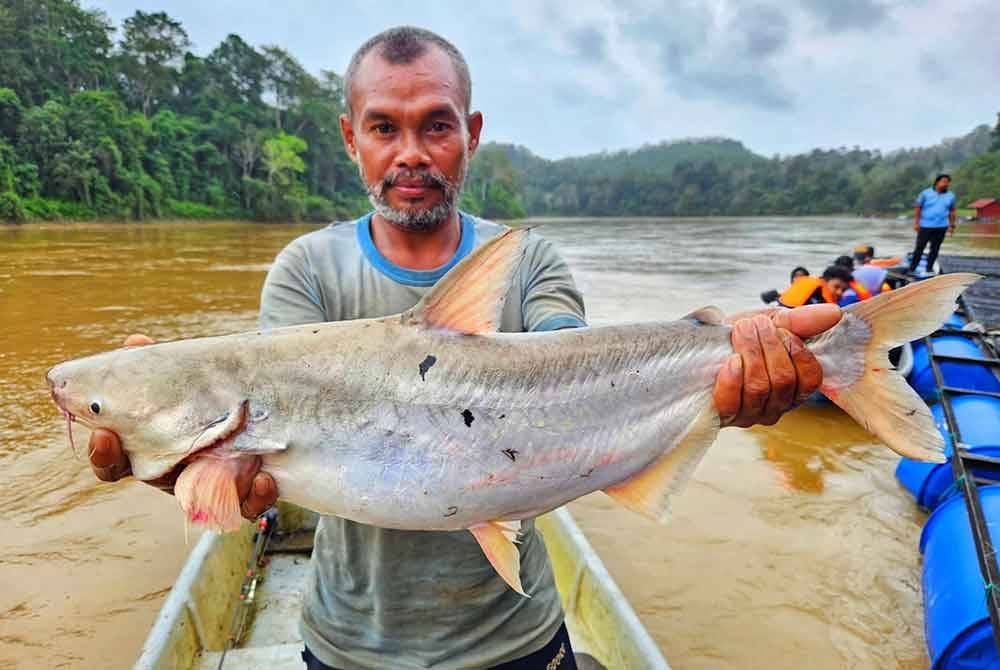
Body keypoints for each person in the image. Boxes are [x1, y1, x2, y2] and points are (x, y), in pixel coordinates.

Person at [85, 26, 841, 669]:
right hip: (350, 643)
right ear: (351, 139)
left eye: (435, 126)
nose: (410, 152)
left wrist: (732, 371)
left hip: (516, 635)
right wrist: (199, 471)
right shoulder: (307, 271)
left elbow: (569, 364)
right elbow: (254, 484)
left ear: (470, 135)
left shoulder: (527, 259)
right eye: (384, 127)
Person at [909, 174, 957, 275]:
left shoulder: (950, 196)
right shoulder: (925, 193)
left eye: (948, 182)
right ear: (937, 182)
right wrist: (916, 223)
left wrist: (952, 225)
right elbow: (918, 208)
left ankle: (929, 268)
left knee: (935, 248)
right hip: (925, 225)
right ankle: (912, 268)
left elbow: (952, 211)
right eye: (944, 181)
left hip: (941, 226)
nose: (946, 184)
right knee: (920, 247)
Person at [778, 265, 852, 307]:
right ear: (825, 280)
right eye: (836, 287)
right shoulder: (822, 300)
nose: (840, 292)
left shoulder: (806, 281)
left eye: (844, 290)